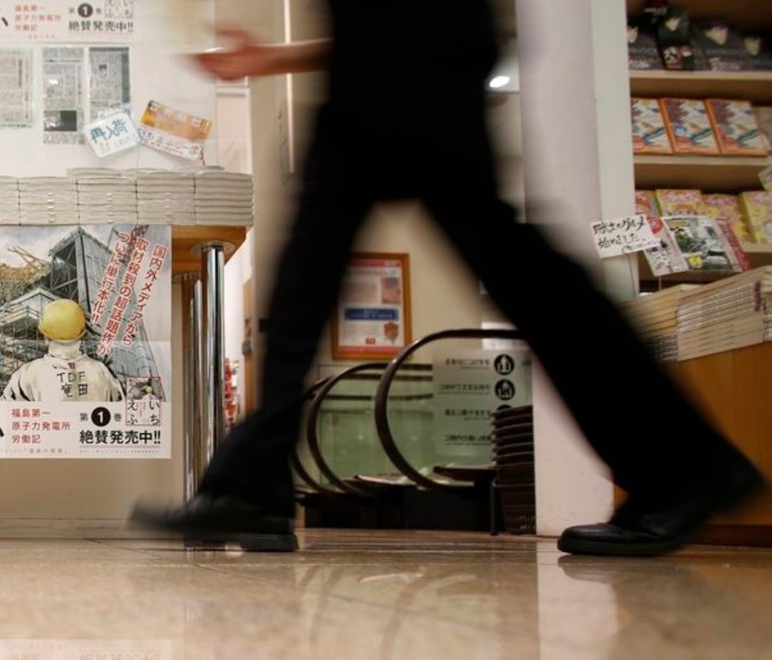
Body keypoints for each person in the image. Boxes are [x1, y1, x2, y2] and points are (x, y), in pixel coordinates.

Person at [131, 1, 766, 555]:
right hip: (404, 54)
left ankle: (687, 469)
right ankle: (252, 487)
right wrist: (276, 58)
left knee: (507, 269)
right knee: (322, 282)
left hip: (419, 57)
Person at [0, 298, 124, 402]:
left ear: (46, 338)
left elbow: (1, 415)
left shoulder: (28, 374)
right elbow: (123, 413)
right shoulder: (101, 372)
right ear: (82, 335)